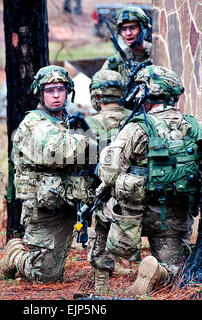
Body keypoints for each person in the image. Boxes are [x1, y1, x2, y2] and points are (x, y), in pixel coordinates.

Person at [96, 65, 202, 295]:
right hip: (175, 218)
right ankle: (160, 272)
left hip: (134, 218)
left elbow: (108, 172)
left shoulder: (137, 127)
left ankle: (102, 275)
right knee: (178, 270)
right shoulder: (193, 127)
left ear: (146, 92)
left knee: (98, 207)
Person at [0, 65, 96, 283]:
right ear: (40, 93)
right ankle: (15, 256)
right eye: (50, 90)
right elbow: (58, 152)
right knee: (45, 276)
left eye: (60, 89)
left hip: (73, 200)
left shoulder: (70, 121)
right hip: (45, 208)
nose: (56, 95)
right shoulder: (33, 124)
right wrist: (89, 141)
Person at [84, 69, 135, 293]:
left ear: (96, 97)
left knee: (100, 223)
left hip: (104, 196)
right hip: (136, 194)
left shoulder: (89, 124)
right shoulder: (136, 119)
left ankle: (101, 279)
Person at [100, 6, 153, 86]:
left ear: (143, 29)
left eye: (132, 28)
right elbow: (98, 87)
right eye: (124, 29)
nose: (128, 33)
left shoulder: (158, 55)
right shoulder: (116, 62)